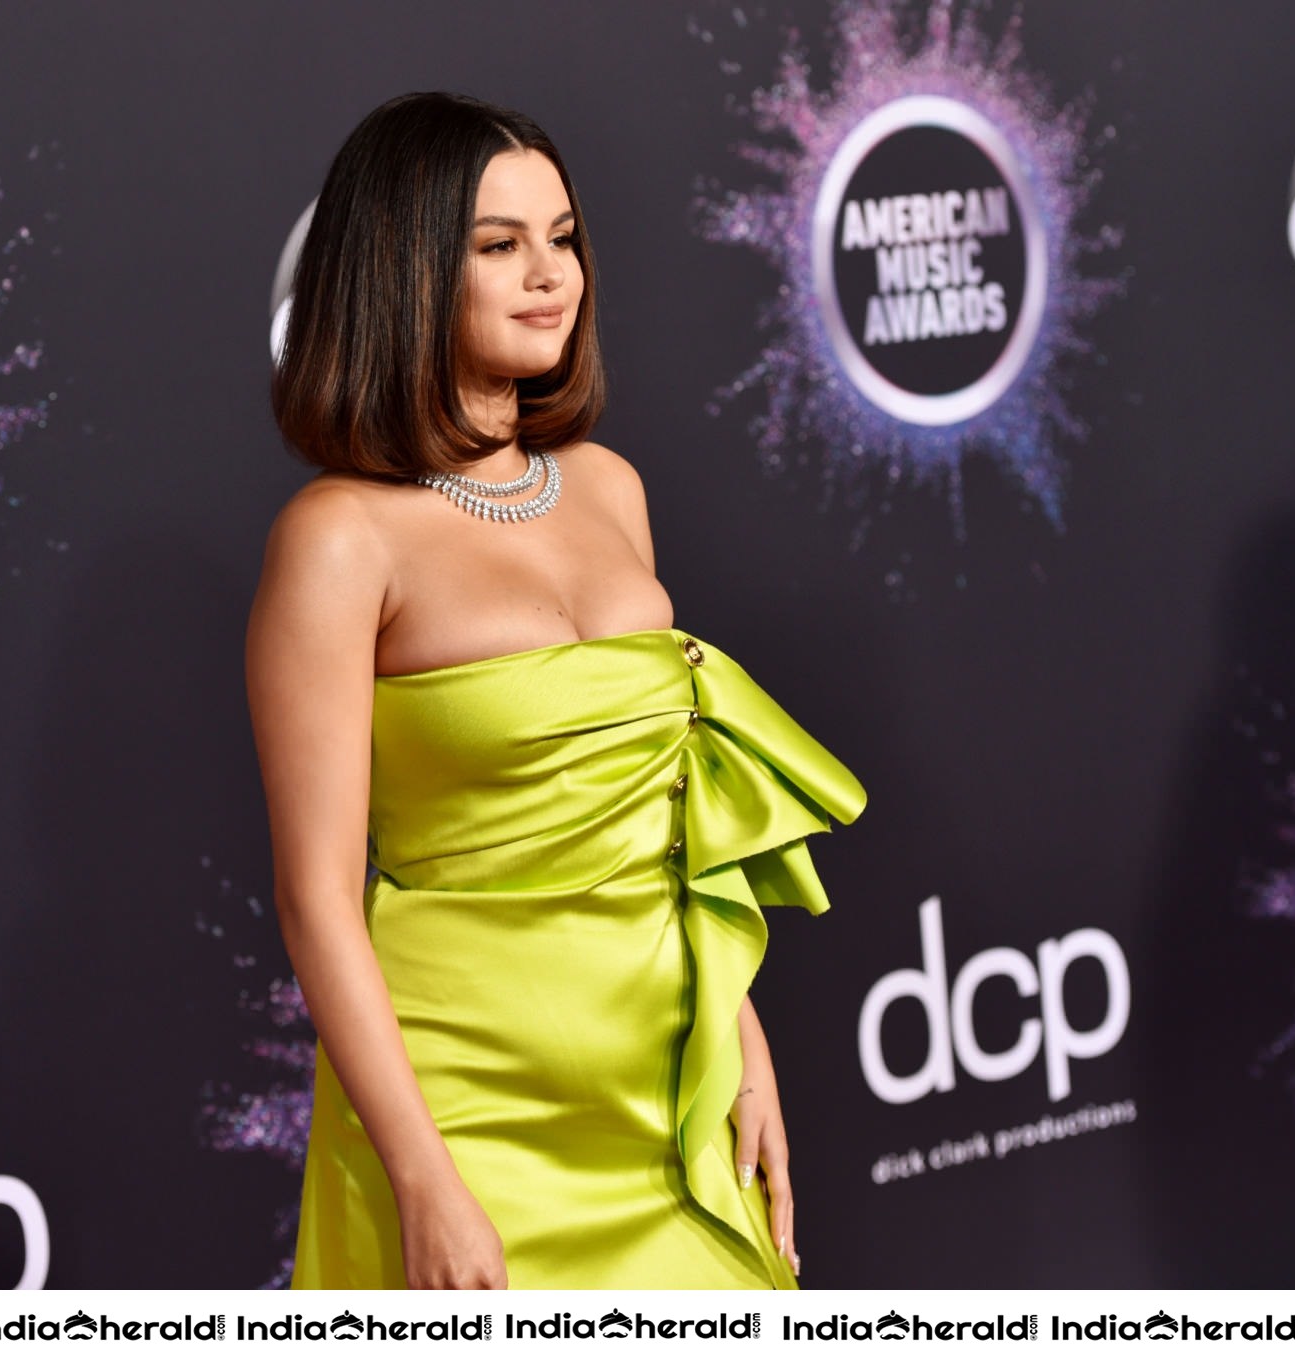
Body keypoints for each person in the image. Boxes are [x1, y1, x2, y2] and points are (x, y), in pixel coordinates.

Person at [245, 91, 865, 1290]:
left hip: (663, 1078)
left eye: (563, 236)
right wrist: (422, 1178)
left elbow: (665, 831)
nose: (550, 275)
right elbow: (316, 899)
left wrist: (735, 1037)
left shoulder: (608, 488)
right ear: (402, 270)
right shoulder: (337, 539)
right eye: (497, 245)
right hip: (464, 1110)